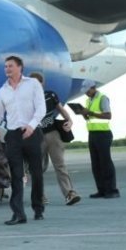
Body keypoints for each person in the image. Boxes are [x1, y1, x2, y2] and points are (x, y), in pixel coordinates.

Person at [0, 55, 46, 225]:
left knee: (37, 174)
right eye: (5, 66)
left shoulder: (32, 84)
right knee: (15, 175)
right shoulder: (3, 90)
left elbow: (41, 108)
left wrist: (32, 125)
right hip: (13, 136)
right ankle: (18, 213)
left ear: (20, 67)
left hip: (32, 133)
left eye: (11, 66)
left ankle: (38, 208)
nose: (7, 69)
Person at [28, 72, 82, 206]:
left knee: (60, 165)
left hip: (52, 134)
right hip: (36, 136)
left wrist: (69, 121)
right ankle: (40, 196)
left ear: (42, 83)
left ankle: (69, 193)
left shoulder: (50, 95)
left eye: (38, 82)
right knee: (36, 168)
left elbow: (62, 110)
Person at [79, 79, 120, 199]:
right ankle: (101, 190)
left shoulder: (102, 98)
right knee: (96, 164)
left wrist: (90, 112)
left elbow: (108, 115)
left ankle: (112, 190)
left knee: (105, 163)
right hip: (92, 134)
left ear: (93, 88)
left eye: (87, 91)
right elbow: (90, 118)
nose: (86, 93)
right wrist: (84, 114)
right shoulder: (88, 100)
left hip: (103, 134)